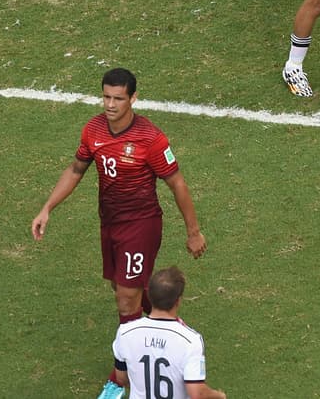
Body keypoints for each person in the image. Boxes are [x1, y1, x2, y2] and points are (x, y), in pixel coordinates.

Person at [31, 67, 207, 399]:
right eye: (106, 97)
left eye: (118, 98)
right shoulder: (93, 130)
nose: (110, 105)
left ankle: (121, 376)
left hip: (140, 225)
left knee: (126, 296)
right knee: (126, 288)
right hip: (109, 223)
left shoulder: (151, 140)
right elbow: (76, 169)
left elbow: (177, 184)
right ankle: (167, 320)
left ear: (133, 99)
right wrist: (47, 208)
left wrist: (193, 232)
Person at [110, 266, 227, 399]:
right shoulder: (190, 341)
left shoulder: (125, 333)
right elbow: (197, 393)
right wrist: (219, 396)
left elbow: (121, 378)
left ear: (149, 295)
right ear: (177, 301)